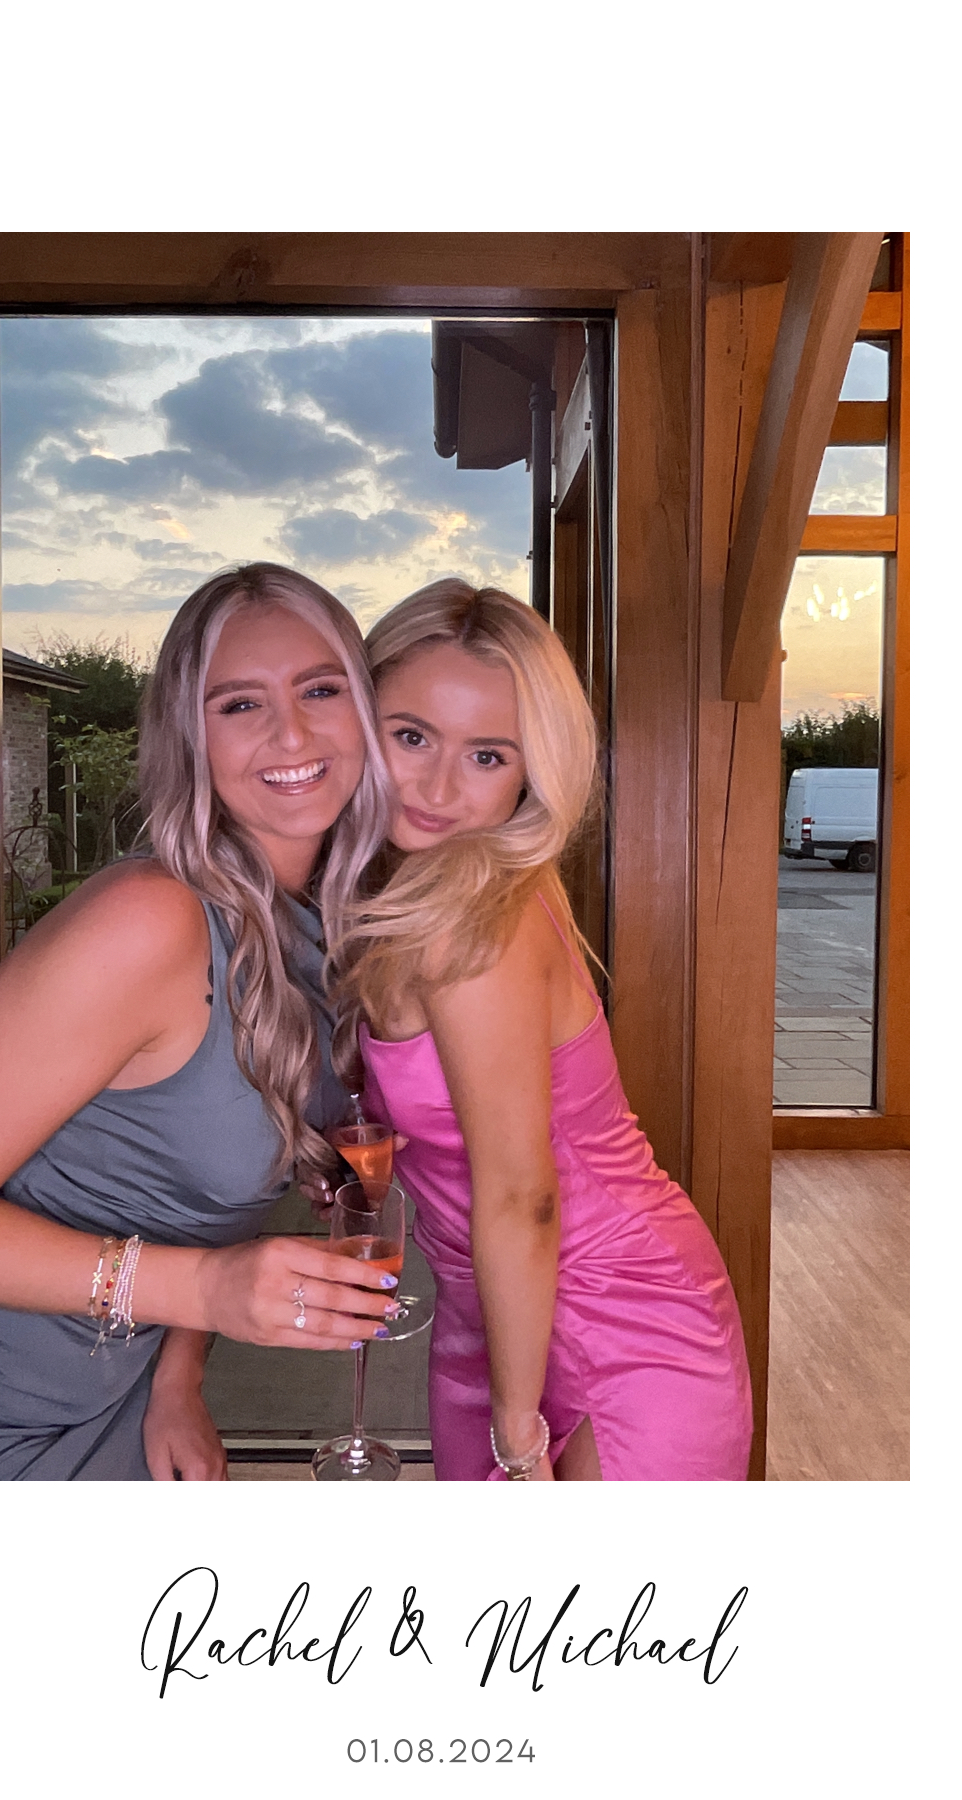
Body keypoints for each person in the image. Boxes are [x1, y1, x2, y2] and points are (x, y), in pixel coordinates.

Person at [0, 564, 402, 1481]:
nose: (291, 733)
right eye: (240, 704)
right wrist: (204, 1291)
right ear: (189, 737)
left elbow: (192, 1196)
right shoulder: (147, 921)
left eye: (320, 689)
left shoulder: (329, 933)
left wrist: (180, 1376)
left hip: (124, 1395)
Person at [331, 581, 753, 1481]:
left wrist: (518, 1442)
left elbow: (524, 1194)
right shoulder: (411, 894)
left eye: (488, 756)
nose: (440, 786)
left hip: (622, 1325)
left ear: (532, 771)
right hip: (491, 1321)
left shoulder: (472, 910)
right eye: (412, 737)